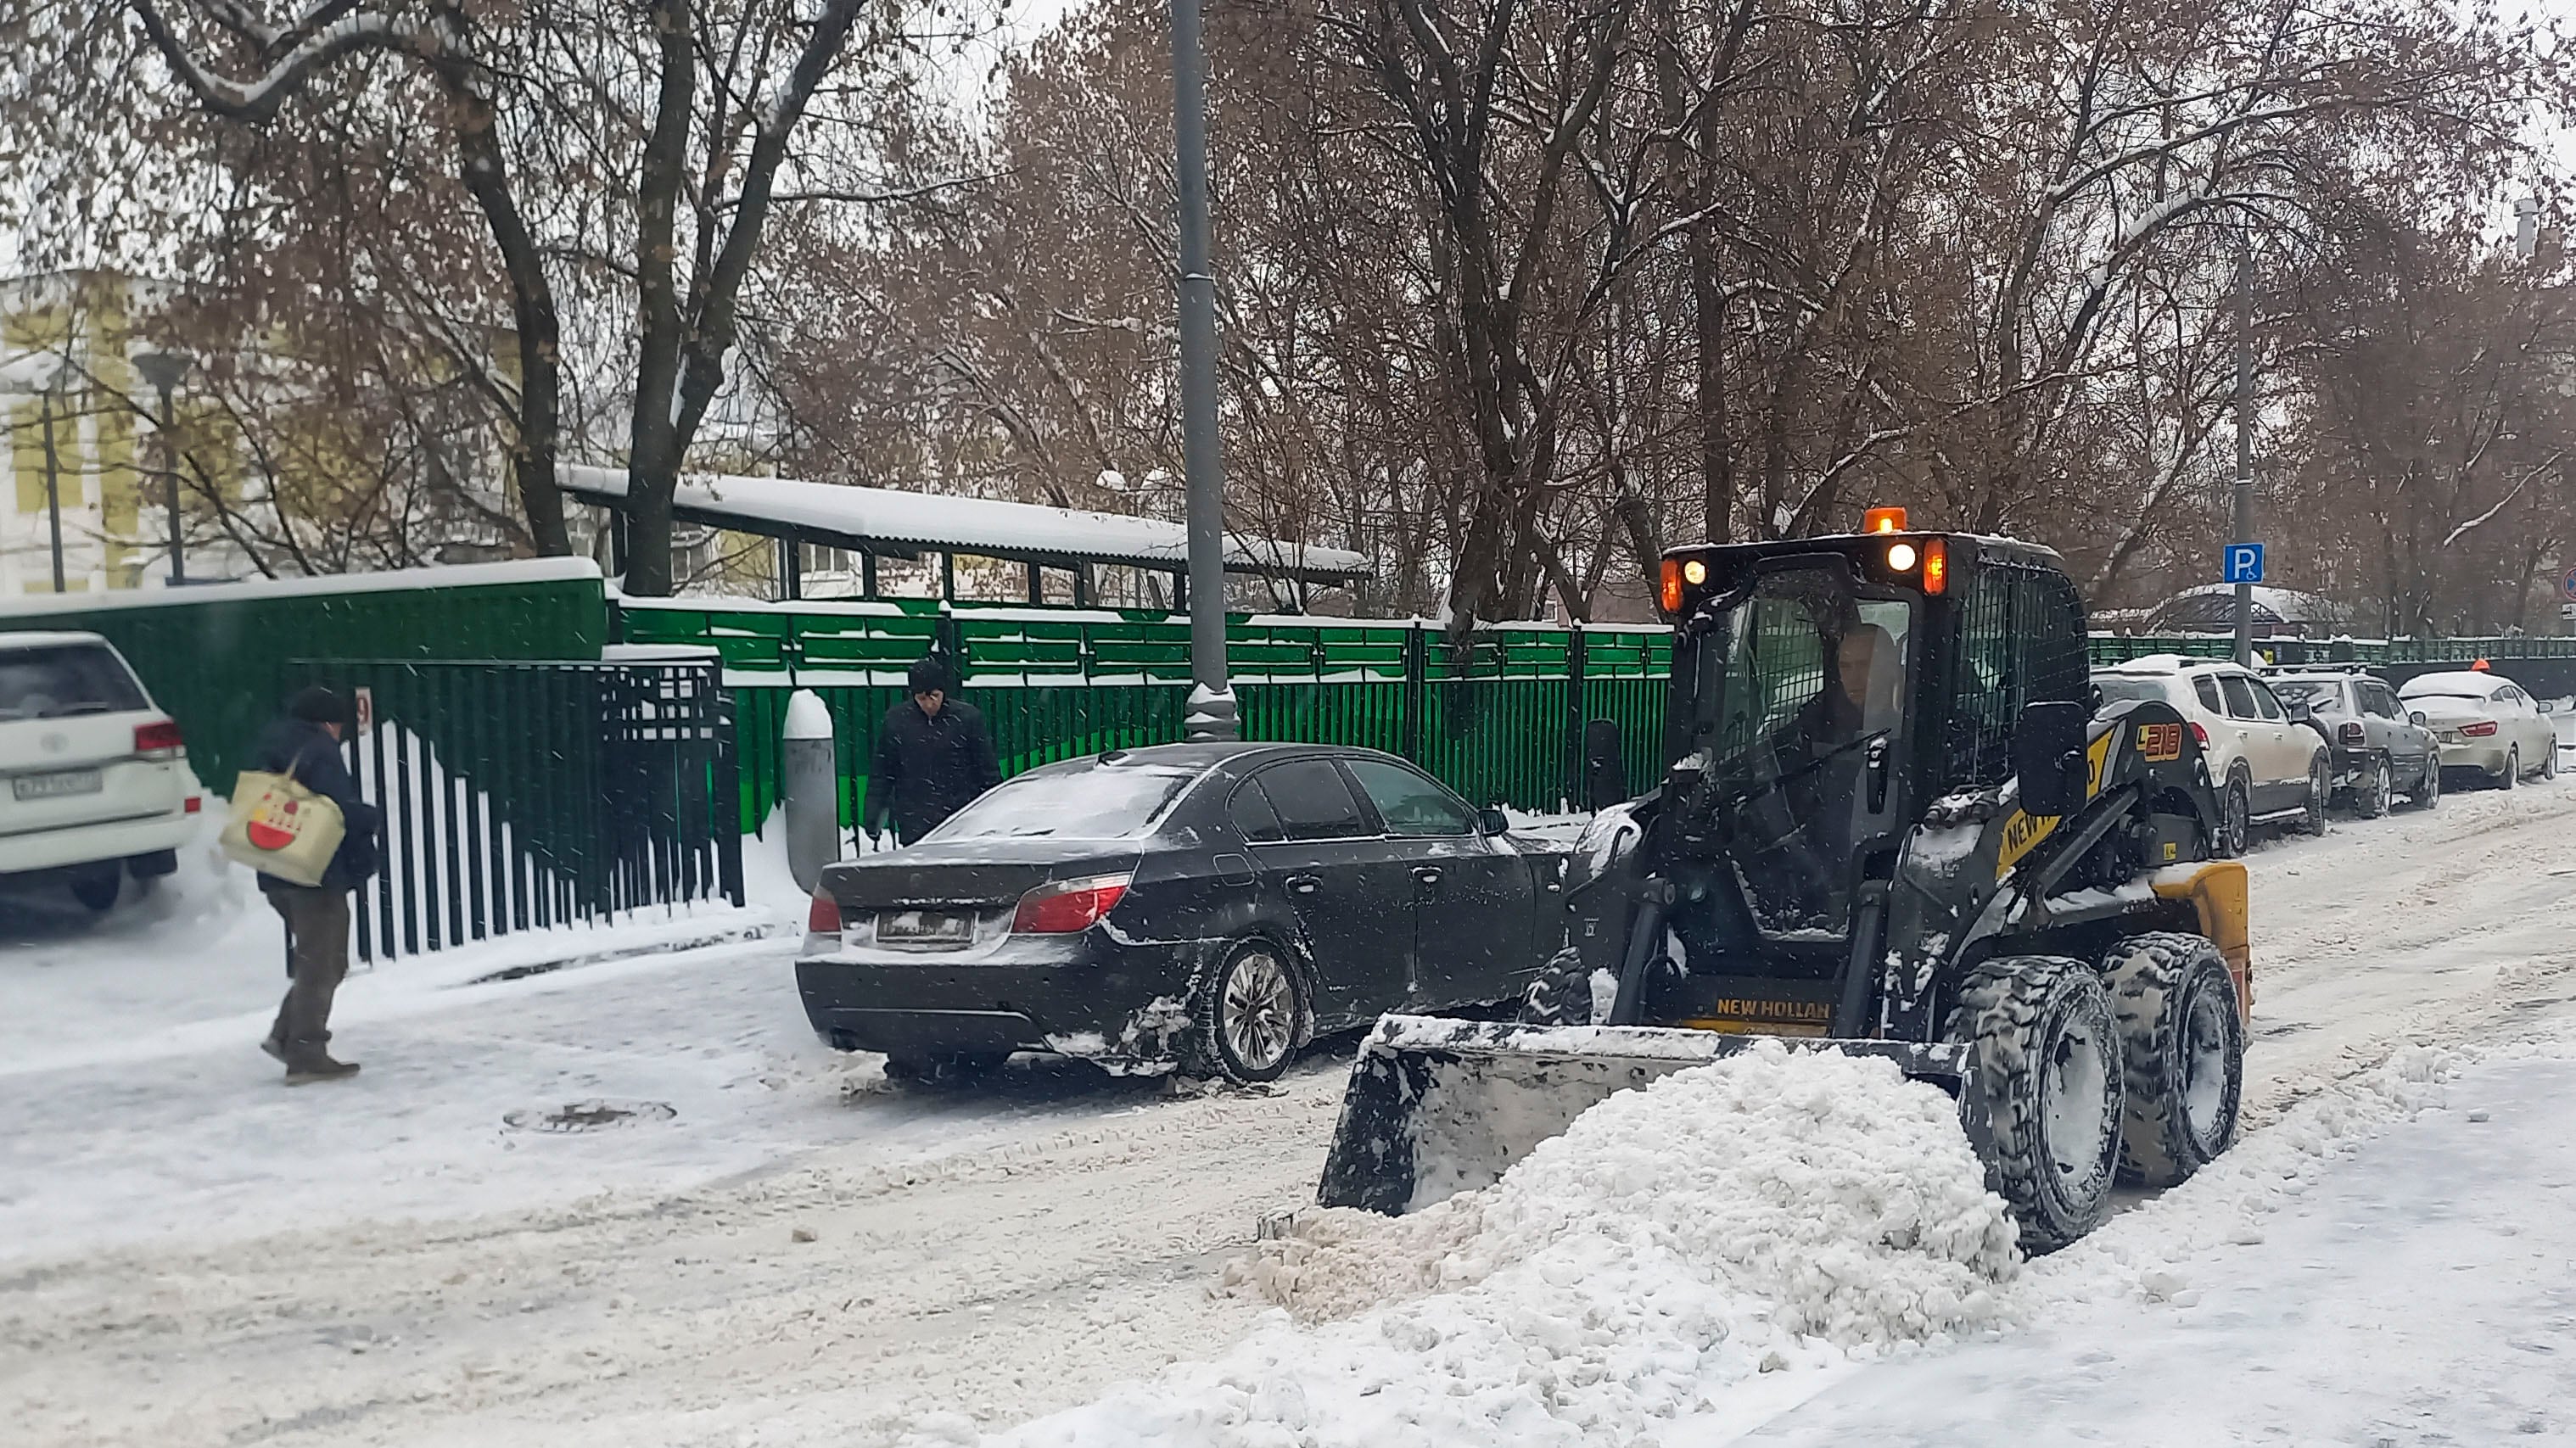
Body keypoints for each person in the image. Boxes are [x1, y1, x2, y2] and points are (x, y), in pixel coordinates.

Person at [249, 687, 382, 1085]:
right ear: (329, 722)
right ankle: (305, 1051)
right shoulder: (319, 750)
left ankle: (286, 1035)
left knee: (317, 959)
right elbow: (337, 808)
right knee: (323, 964)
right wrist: (369, 819)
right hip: (314, 872)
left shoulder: (271, 744)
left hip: (277, 865)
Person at [864, 656, 1001, 847]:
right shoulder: (897, 722)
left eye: (934, 696)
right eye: (921, 698)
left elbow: (987, 770)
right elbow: (883, 772)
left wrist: (992, 811)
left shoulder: (967, 719)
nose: (929, 704)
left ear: (943, 692)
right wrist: (873, 814)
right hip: (915, 820)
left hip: (959, 818)